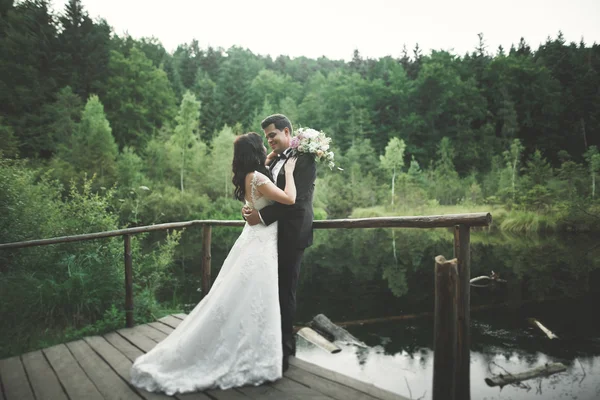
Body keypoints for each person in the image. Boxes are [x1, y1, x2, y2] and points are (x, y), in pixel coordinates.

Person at [130, 132, 297, 395]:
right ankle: (254, 356)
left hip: (255, 240)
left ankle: (254, 352)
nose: (267, 147)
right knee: (256, 299)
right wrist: (290, 169)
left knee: (245, 299)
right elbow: (289, 199)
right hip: (261, 245)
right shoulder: (259, 178)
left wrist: (274, 157)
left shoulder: (249, 175)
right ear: (255, 150)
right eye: (263, 145)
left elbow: (259, 190)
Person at [243, 114, 317, 373]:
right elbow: (267, 193)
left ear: (287, 132)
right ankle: (269, 344)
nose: (270, 140)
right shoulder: (274, 160)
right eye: (266, 137)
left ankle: (284, 354)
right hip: (269, 235)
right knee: (267, 290)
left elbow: (294, 201)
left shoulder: (305, 159)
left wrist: (260, 216)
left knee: (285, 291)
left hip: (291, 233)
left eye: (273, 135)